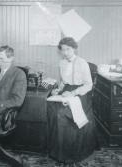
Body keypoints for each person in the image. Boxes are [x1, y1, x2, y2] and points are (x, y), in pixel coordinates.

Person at [47, 37, 97, 165]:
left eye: (68, 49)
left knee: (62, 114)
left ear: (74, 48)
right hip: (67, 90)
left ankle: (70, 153)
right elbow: (63, 82)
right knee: (51, 107)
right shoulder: (62, 63)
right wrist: (57, 90)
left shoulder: (82, 63)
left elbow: (88, 85)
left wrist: (73, 93)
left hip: (80, 93)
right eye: (63, 50)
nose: (65, 52)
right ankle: (57, 151)